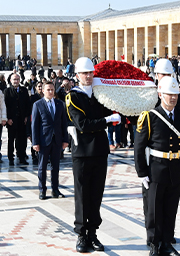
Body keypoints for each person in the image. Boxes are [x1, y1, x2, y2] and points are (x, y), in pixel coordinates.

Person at [134, 76, 180, 256]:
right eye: (169, 94)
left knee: (170, 208)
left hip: (176, 167)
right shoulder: (150, 116)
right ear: (160, 94)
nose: (173, 97)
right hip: (156, 169)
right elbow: (139, 146)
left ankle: (167, 242)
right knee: (154, 209)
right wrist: (142, 172)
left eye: (175, 94)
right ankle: (154, 243)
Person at [66, 57, 119, 253]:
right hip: (81, 153)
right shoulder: (73, 97)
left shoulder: (100, 94)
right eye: (84, 73)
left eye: (90, 73)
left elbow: (106, 112)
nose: (88, 76)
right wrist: (106, 120)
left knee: (96, 194)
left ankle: (92, 233)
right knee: (82, 195)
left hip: (99, 150)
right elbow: (83, 124)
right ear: (77, 75)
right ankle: (81, 234)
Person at [31, 81, 68, 200]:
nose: (51, 92)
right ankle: (42, 190)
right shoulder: (38, 104)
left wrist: (65, 139)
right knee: (42, 167)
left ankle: (55, 189)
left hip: (57, 140)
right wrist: (35, 142)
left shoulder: (60, 104)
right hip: (43, 140)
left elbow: (64, 124)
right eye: (48, 90)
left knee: (55, 167)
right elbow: (35, 125)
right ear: (43, 91)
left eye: (52, 89)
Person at [5, 73, 32, 165]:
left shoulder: (24, 90)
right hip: (11, 120)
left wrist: (26, 117)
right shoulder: (7, 91)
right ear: (10, 80)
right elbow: (5, 106)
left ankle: (22, 156)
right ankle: (10, 158)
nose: (16, 81)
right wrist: (7, 118)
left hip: (22, 119)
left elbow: (28, 104)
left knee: (22, 139)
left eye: (17, 79)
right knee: (11, 139)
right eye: (14, 79)